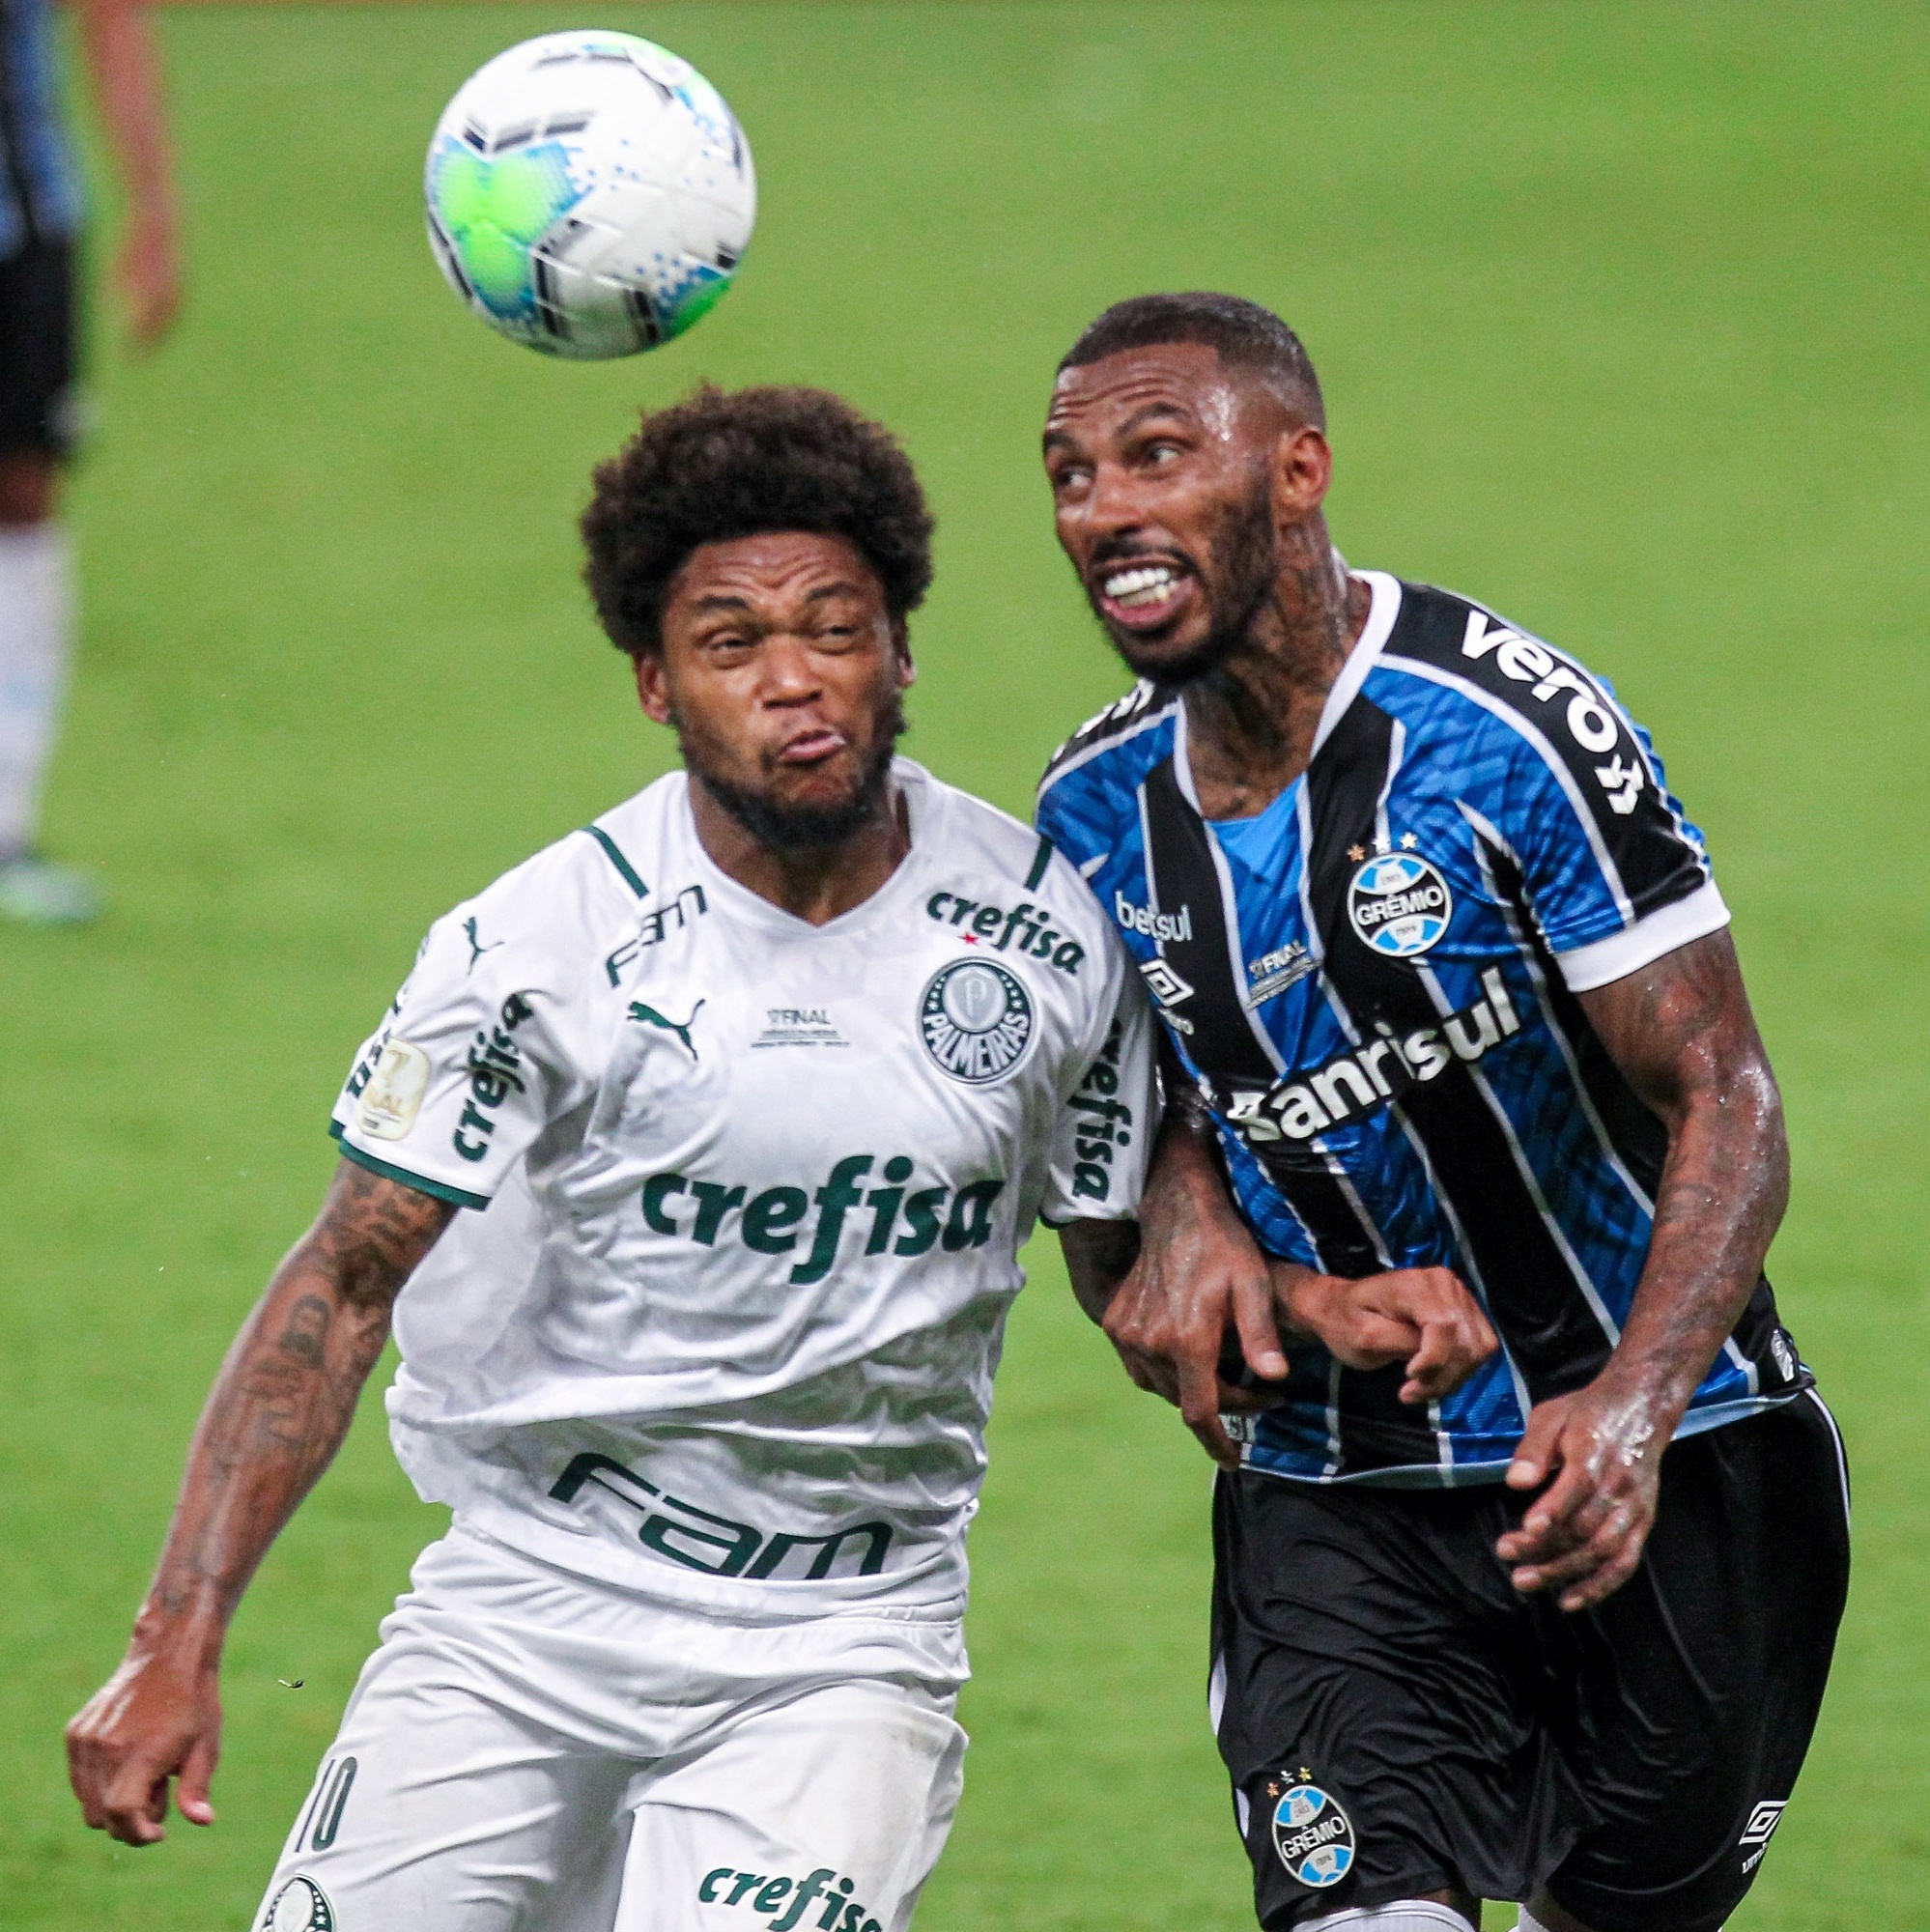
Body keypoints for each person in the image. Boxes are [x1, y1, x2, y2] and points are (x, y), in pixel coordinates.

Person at [64, 384, 1492, 1932]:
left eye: (835, 627)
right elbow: (340, 1286)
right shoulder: (533, 947)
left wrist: (1310, 1306)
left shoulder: (1044, 932)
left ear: (900, 651)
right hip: (529, 1603)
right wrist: (177, 1635)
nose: (795, 682)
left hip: (842, 1639)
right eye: (733, 644)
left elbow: (1124, 1278)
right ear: (655, 685)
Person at [1033, 294, 1850, 1932]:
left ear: (1296, 471)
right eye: (1065, 474)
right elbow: (1119, 1248)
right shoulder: (1085, 820)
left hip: (1670, 1466)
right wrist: (1187, 1224)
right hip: (1338, 1506)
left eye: (1153, 454)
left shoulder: (1503, 735)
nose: (1102, 508)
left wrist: (1625, 1402)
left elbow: (1725, 1096)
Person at [1, 0, 180, 923]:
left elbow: (110, 18)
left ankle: (7, 825)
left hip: (27, 220)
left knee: (25, 493)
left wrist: (151, 203)